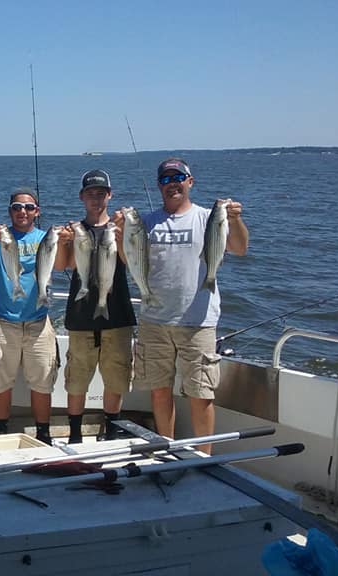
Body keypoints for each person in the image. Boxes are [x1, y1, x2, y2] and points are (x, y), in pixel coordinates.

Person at [113, 158, 248, 453]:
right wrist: (122, 234)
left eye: (178, 177)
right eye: (165, 179)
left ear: (190, 181)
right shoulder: (146, 222)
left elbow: (239, 248)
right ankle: (167, 450)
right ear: (158, 186)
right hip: (154, 320)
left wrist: (234, 219)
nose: (171, 183)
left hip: (199, 321)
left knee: (201, 395)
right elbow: (129, 261)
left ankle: (203, 457)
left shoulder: (207, 218)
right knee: (160, 393)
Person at [54, 171, 136, 443]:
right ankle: (75, 435)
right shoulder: (75, 229)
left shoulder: (121, 230)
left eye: (101, 193)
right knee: (77, 380)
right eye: (91, 193)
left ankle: (111, 430)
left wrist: (124, 235)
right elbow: (62, 266)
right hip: (80, 318)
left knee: (116, 378)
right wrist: (64, 243)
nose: (96, 198)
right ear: (82, 197)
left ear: (110, 195)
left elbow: (128, 261)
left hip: (118, 315)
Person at [0, 187, 59, 444]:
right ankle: (1, 431)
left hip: (39, 322)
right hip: (3, 321)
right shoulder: (1, 238)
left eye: (28, 207)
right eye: (16, 207)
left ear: (37, 211)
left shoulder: (45, 238)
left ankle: (43, 433)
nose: (22, 212)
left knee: (43, 380)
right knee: (0, 382)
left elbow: (65, 263)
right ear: (10, 211)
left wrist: (65, 241)